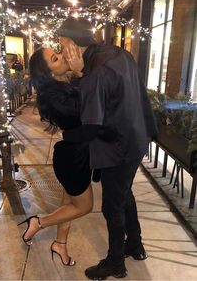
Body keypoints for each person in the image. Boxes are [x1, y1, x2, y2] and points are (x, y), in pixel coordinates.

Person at [57, 17, 158, 279]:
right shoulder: (118, 52)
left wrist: (65, 134)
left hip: (118, 147)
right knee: (124, 194)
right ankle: (135, 246)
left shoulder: (95, 73)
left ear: (73, 46)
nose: (60, 52)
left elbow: (90, 127)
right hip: (138, 137)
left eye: (61, 45)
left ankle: (115, 262)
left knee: (112, 206)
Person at [18, 45, 96, 266]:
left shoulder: (64, 86)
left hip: (77, 155)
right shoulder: (53, 96)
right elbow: (87, 107)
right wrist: (82, 72)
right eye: (55, 58)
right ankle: (38, 222)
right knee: (83, 207)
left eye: (58, 52)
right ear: (49, 73)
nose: (62, 57)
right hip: (73, 160)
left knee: (68, 206)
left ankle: (60, 244)